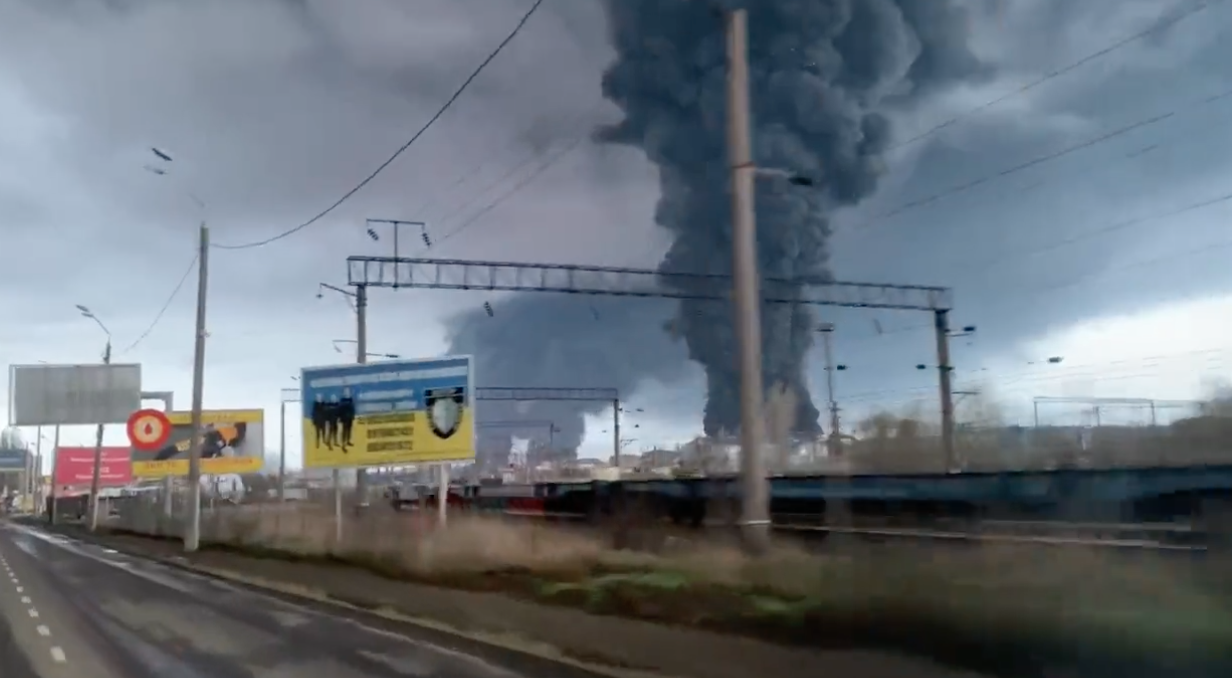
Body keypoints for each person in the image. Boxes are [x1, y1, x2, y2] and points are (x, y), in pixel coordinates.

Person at [338, 387, 356, 451]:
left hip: (350, 418)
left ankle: (348, 441)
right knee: (344, 431)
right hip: (344, 418)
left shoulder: (351, 399)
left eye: (348, 391)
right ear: (343, 393)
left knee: (349, 430)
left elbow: (352, 409)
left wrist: (353, 415)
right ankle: (343, 445)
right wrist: (339, 418)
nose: (347, 392)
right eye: (345, 391)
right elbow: (339, 410)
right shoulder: (342, 400)